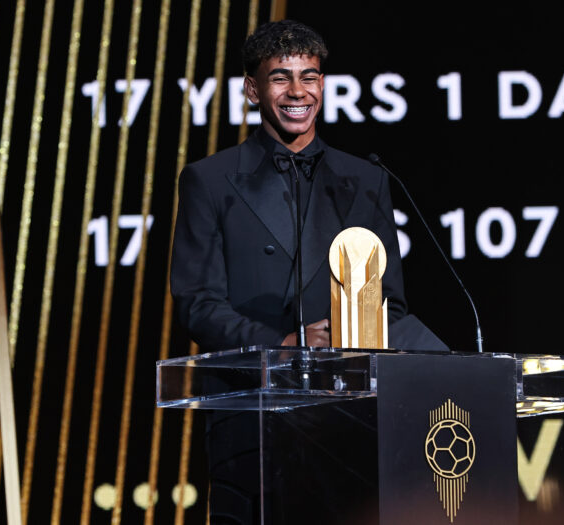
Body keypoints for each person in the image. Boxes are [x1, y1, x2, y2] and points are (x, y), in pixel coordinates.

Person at [171, 20, 408, 352]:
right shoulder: (209, 180)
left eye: (308, 77)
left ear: (322, 84)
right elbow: (197, 302)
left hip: (342, 394)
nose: (298, 91)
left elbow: (389, 303)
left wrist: (341, 346)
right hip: (250, 390)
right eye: (280, 78)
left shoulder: (367, 179)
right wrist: (283, 344)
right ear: (252, 89)